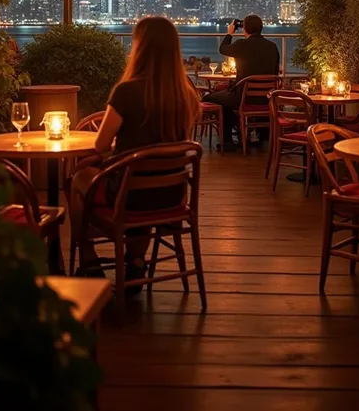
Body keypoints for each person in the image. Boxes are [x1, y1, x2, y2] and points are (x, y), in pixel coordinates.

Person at [70, 16, 201, 280]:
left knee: (79, 179)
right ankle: (136, 260)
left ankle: (89, 258)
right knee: (140, 180)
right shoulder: (186, 93)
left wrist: (120, 148)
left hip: (129, 197)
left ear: (139, 48)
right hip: (173, 195)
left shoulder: (126, 92)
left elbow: (100, 144)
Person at [204, 15, 280, 150]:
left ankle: (227, 141)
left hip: (242, 97)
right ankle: (248, 132)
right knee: (225, 98)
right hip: (265, 98)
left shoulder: (241, 45)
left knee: (210, 98)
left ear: (244, 28)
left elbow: (223, 49)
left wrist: (229, 33)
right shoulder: (272, 47)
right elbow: (275, 73)